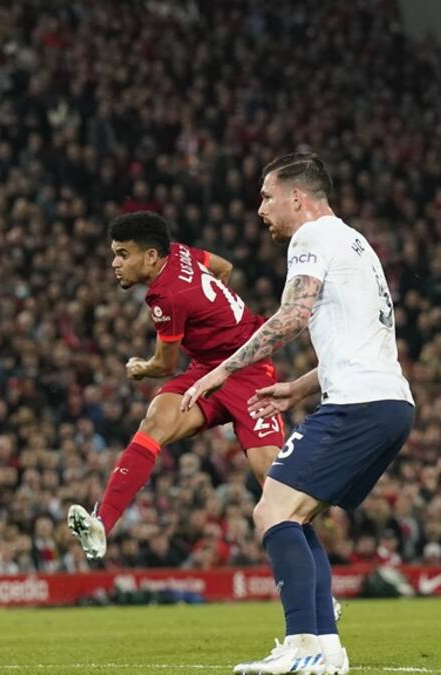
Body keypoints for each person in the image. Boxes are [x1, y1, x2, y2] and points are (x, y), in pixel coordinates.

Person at [183, 152, 413, 675]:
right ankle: (325, 649)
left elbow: (293, 314)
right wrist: (297, 388)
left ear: (297, 197)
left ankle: (302, 643)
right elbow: (364, 342)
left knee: (272, 511)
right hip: (386, 402)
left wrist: (223, 369)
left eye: (267, 196)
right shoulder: (356, 243)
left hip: (357, 404)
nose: (260, 208)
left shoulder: (310, 237)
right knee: (296, 514)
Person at [67, 211, 286, 558]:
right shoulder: (180, 252)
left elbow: (164, 365)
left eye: (123, 254)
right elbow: (224, 267)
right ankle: (101, 525)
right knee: (154, 424)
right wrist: (218, 318)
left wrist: (140, 368)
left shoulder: (166, 295)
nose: (115, 263)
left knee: (277, 487)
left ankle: (315, 579)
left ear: (150, 256)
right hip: (207, 369)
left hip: (249, 370)